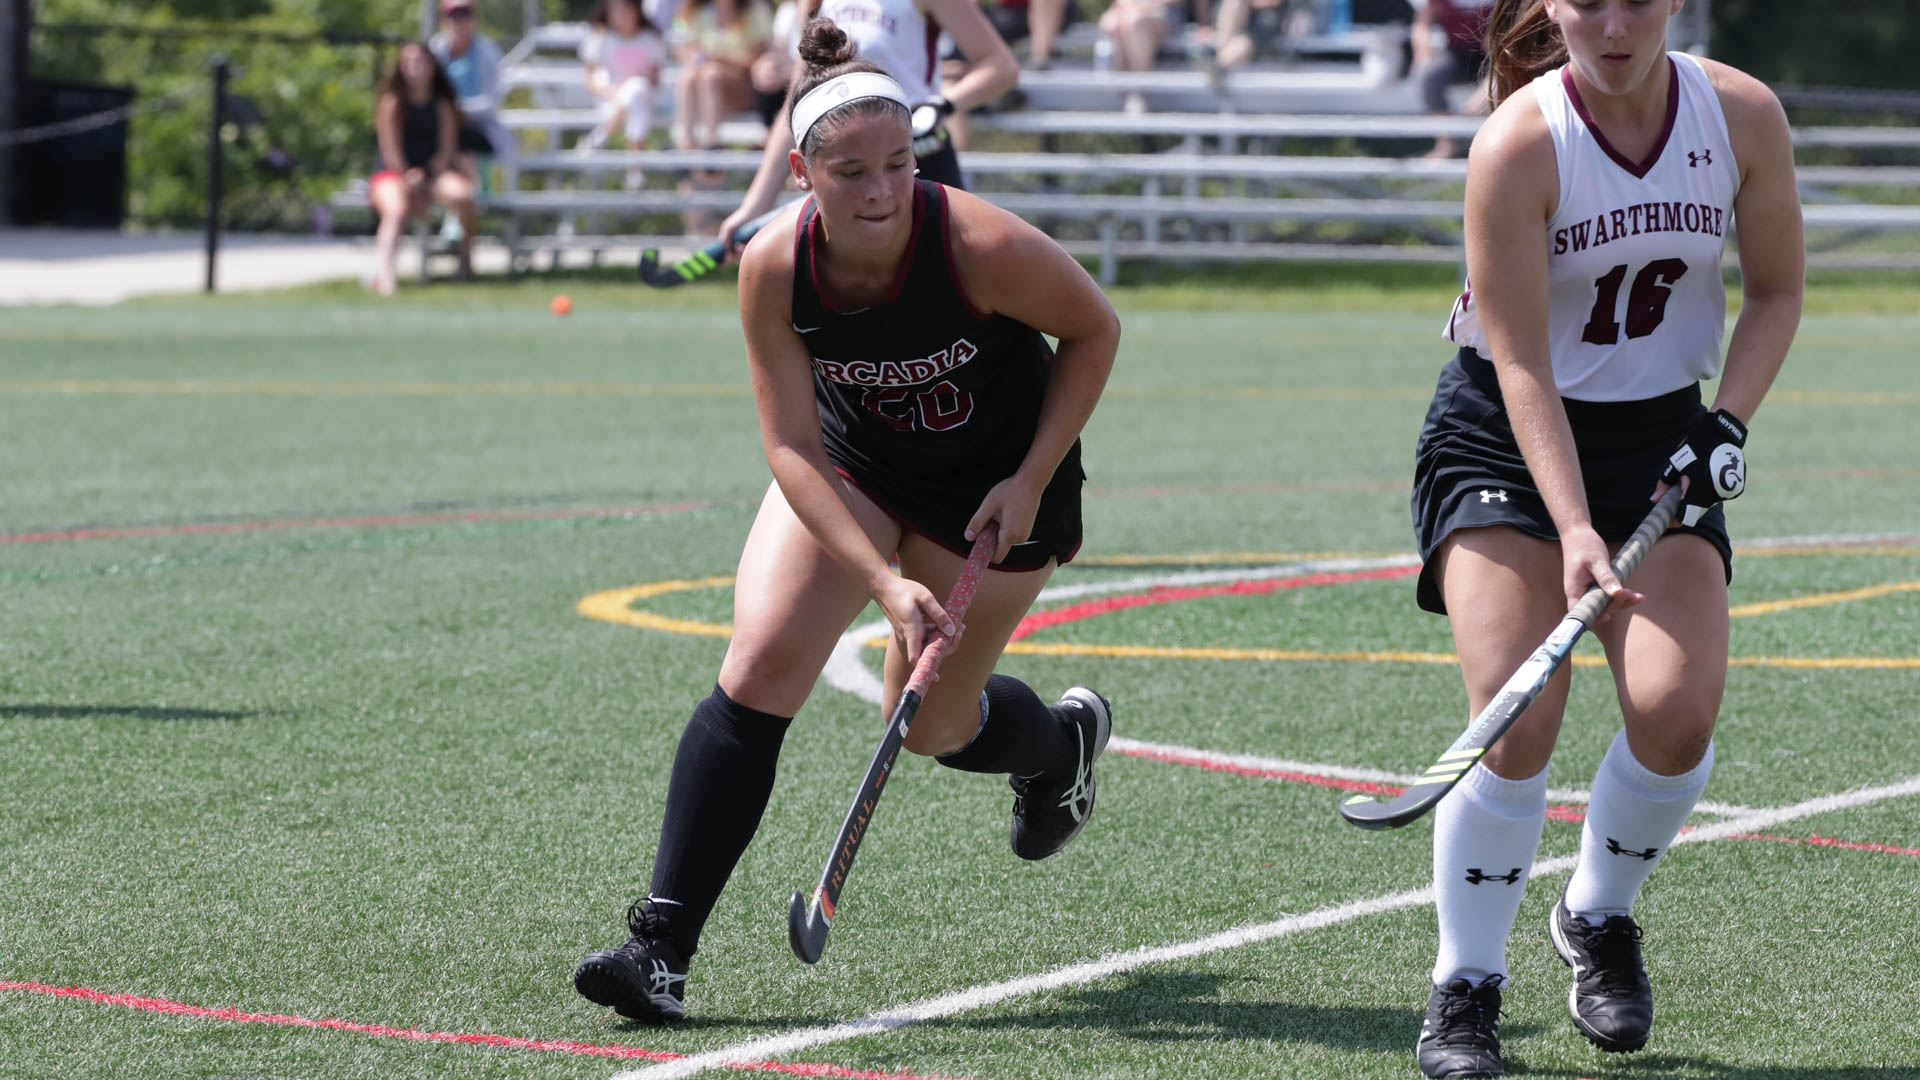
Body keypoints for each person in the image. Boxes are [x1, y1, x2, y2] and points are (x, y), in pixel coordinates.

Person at [573, 16, 1122, 1023]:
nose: (880, 192)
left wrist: (1033, 477)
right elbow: (789, 446)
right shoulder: (777, 267)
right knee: (763, 661)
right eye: (852, 171)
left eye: (897, 165)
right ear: (800, 172)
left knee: (931, 728)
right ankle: (659, 948)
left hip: (997, 484)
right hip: (858, 463)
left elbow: (1095, 331)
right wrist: (879, 576)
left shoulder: (978, 243)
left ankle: (1059, 749)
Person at [1405, 0, 1802, 1075]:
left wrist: (1727, 422)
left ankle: (1596, 914)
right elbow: (1523, 358)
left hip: (1660, 439)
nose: (1615, 22)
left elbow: (1775, 291)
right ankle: (1465, 986)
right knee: (1516, 721)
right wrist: (1574, 524)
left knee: (1676, 716)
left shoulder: (1740, 116)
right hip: (1507, 436)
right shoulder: (1521, 144)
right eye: (1589, 0)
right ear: (1550, 7)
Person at [714, 0, 1019, 252]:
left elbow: (1001, 65)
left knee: (948, 300)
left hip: (917, 160)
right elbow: (796, 109)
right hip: (843, 172)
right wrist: (755, 206)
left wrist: (942, 103)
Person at [368, 42, 478, 294]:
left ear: (432, 67)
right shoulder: (392, 103)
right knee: (395, 209)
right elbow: (391, 152)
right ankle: (387, 278)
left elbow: (445, 150)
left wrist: (426, 176)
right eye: (407, 63)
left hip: (433, 174)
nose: (413, 68)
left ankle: (465, 258)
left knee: (463, 195)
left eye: (419, 62)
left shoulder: (441, 105)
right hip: (393, 175)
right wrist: (409, 178)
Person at [580, 0, 670, 189]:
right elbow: (589, 80)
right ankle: (635, 172)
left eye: (625, 11)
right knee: (635, 95)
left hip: (641, 99)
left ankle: (600, 136)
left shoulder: (651, 39)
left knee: (637, 88)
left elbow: (654, 81)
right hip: (611, 101)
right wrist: (613, 91)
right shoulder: (601, 38)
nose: (621, 17)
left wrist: (634, 80)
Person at [429, 0, 511, 172]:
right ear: (443, 21)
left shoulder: (489, 52)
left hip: (477, 125)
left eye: (464, 16)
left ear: (474, 20)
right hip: (438, 124)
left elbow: (492, 101)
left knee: (466, 141)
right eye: (452, 16)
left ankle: (470, 193)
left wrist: (457, 111)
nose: (458, 22)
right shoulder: (434, 50)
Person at [1408, 0, 1492, 158]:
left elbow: (1502, 32)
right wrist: (1423, 54)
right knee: (1430, 76)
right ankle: (1446, 143)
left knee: (1501, 73)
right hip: (1457, 53)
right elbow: (1422, 24)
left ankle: (1480, 136)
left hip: (1492, 55)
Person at [1098, 0, 1204, 114]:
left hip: (1163, 12)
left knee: (1137, 22)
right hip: (1131, 12)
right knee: (1113, 23)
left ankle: (1137, 91)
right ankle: (1124, 86)